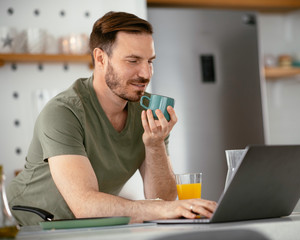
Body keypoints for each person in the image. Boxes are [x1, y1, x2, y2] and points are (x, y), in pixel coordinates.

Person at [7, 11, 217, 226]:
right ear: (100, 58)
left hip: (90, 226)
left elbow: (162, 200)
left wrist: (155, 144)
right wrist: (161, 208)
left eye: (150, 61)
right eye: (133, 60)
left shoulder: (147, 111)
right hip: (30, 226)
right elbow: (85, 205)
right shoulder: (63, 112)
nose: (146, 73)